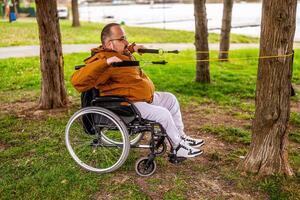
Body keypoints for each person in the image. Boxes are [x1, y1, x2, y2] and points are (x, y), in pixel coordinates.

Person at [71, 23, 204, 158]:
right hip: (128, 104)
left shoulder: (120, 53)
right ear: (110, 43)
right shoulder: (103, 60)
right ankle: (178, 147)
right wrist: (105, 63)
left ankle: (181, 137)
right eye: (122, 39)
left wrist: (132, 48)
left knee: (170, 99)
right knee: (162, 114)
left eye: (125, 38)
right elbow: (77, 81)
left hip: (142, 98)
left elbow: (123, 54)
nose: (126, 41)